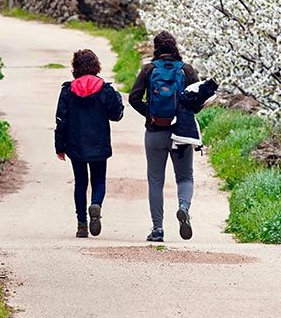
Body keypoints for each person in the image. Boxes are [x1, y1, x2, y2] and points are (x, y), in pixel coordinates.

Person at [129, 31, 200, 242]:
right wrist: (184, 117)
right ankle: (183, 207)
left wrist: (150, 114)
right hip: (181, 134)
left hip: (155, 132)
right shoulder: (186, 70)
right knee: (185, 177)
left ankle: (158, 229)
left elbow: (133, 98)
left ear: (156, 47)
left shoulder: (149, 70)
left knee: (155, 181)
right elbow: (198, 100)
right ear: (175, 46)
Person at [55, 49, 124, 238]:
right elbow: (116, 115)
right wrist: (118, 99)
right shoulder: (105, 89)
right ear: (96, 66)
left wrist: (59, 146)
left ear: (75, 67)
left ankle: (82, 224)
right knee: (99, 180)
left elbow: (61, 120)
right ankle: (96, 204)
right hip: (99, 143)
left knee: (80, 183)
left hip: (75, 144)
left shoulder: (68, 91)